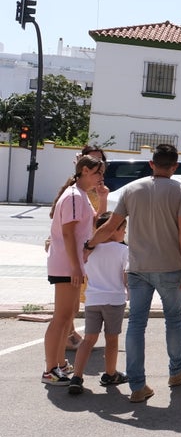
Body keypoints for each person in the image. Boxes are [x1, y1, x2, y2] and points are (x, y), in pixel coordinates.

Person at [85, 143, 181, 403]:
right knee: (174, 320)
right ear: (174, 166)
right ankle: (176, 370)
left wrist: (89, 245)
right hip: (171, 267)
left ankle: (137, 386)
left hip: (137, 268)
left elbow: (110, 226)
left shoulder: (131, 189)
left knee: (136, 324)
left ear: (151, 164)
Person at [42, 155, 105, 386]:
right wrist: (76, 266)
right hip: (66, 264)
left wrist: (102, 198)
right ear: (85, 171)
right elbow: (68, 233)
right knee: (61, 317)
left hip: (71, 263)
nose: (101, 177)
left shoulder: (81, 195)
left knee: (68, 316)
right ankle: (50, 369)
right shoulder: (74, 196)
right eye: (98, 173)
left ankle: (58, 364)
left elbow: (94, 222)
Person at [68, 213, 129, 394]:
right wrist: (130, 291)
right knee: (112, 339)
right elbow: (126, 275)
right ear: (113, 230)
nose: (125, 233)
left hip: (93, 300)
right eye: (123, 229)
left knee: (88, 339)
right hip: (114, 300)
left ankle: (77, 377)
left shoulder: (88, 250)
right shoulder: (123, 250)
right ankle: (110, 374)